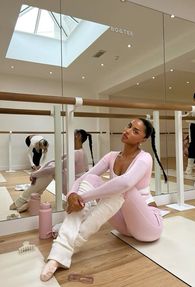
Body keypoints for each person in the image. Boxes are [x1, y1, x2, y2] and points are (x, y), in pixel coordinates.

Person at [40, 118, 167, 282]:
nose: (128, 131)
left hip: (148, 226)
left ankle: (65, 249)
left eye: (135, 131)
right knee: (92, 179)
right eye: (129, 126)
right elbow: (84, 178)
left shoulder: (145, 158)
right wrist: (72, 194)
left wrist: (82, 197)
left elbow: (125, 183)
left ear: (143, 139)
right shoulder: (112, 156)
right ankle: (60, 253)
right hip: (124, 226)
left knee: (124, 188)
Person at [10, 129, 94, 212]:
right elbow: (54, 160)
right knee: (50, 168)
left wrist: (34, 174)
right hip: (73, 184)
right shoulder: (79, 151)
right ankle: (31, 200)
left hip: (74, 189)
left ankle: (23, 200)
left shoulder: (76, 153)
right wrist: (39, 171)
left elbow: (55, 168)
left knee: (51, 171)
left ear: (77, 136)